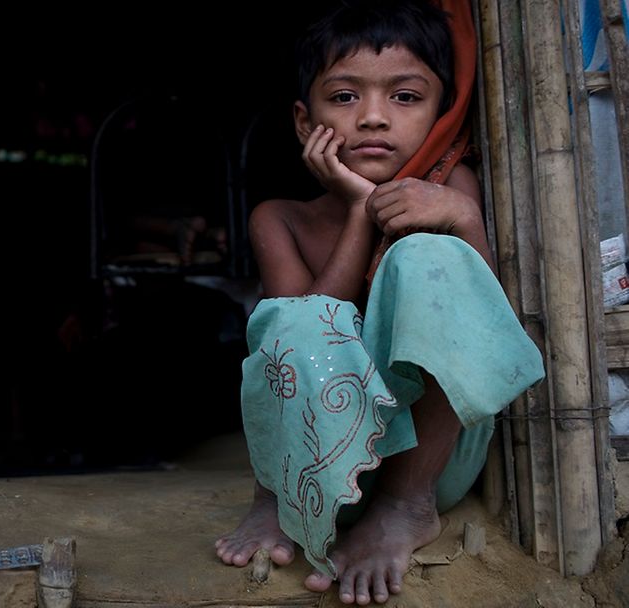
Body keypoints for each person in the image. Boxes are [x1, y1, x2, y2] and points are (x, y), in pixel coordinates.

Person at [214, 1, 544, 605]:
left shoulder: (449, 191)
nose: (371, 118)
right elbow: (304, 334)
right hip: (315, 461)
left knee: (431, 257)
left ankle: (402, 506)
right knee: (288, 318)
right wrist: (364, 213)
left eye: (405, 97)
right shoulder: (279, 219)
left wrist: (465, 219)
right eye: (343, 97)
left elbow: (481, 331)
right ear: (302, 118)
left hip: (431, 462)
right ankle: (280, 499)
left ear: (442, 112)